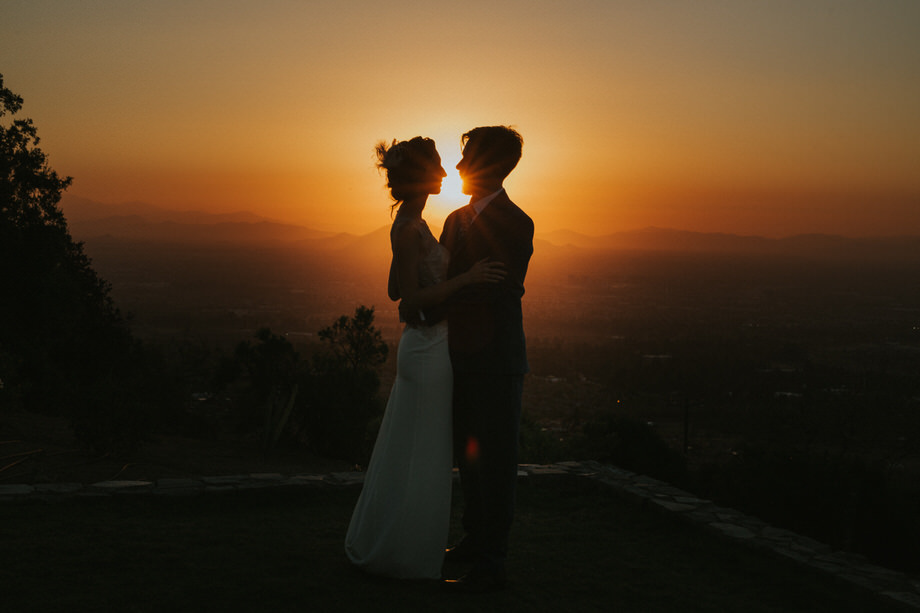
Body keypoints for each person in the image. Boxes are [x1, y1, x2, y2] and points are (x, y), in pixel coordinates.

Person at [345, 137, 505, 580]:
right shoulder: (410, 228)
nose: (444, 173)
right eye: (436, 167)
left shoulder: (409, 223)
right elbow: (410, 298)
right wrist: (465, 279)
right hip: (429, 348)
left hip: (426, 346)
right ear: (419, 177)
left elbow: (395, 289)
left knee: (415, 449)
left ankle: (402, 543)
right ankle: (408, 554)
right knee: (425, 454)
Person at [439, 126, 534, 592]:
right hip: (457, 355)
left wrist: (445, 291)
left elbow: (501, 286)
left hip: (495, 359)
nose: (458, 166)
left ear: (495, 166)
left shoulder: (517, 222)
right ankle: (473, 542)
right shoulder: (454, 220)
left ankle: (493, 562)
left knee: (495, 462)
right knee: (468, 458)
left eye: (469, 157)